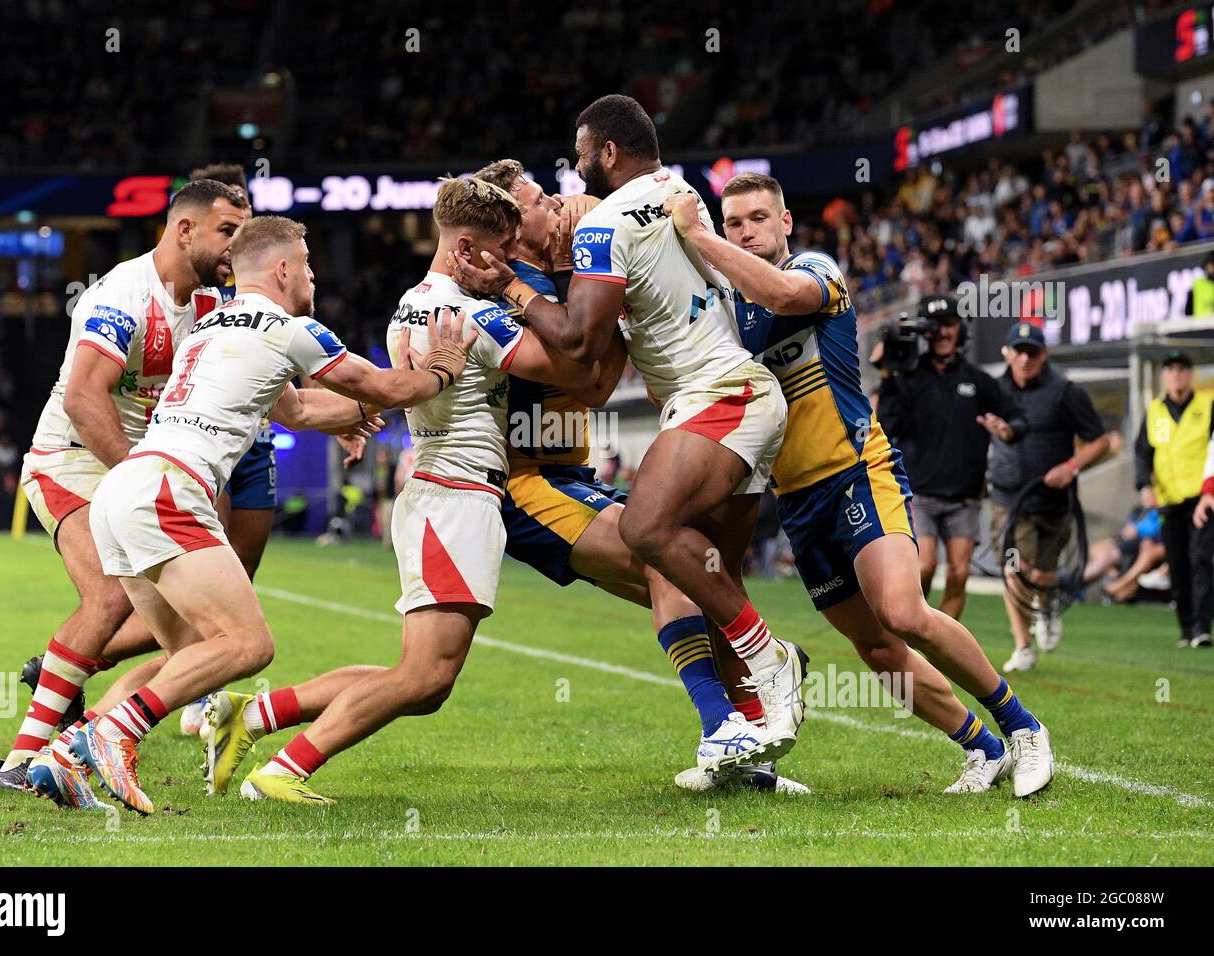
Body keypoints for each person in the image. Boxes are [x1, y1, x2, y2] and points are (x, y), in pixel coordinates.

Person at [220, 178, 639, 805]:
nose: (504, 267)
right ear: (468, 247)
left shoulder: (415, 298)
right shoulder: (473, 313)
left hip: (445, 492)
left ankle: (253, 717)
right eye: (500, 253)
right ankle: (285, 769)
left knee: (424, 678)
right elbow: (585, 373)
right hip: (457, 494)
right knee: (425, 675)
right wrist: (591, 288)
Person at [660, 172, 1054, 797]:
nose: (745, 231)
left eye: (758, 218)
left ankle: (1024, 728)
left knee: (904, 612)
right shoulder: (727, 312)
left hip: (857, 473)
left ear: (785, 223)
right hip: (796, 499)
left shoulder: (816, 271)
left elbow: (785, 294)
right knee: (873, 648)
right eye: (733, 222)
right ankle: (980, 747)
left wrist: (700, 237)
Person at [70, 215, 474, 814]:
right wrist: (442, 370)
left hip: (124, 488)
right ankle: (114, 732)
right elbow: (385, 387)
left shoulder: (208, 325)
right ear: (283, 270)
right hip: (169, 489)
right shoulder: (290, 327)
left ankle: (66, 761)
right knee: (249, 645)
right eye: (308, 264)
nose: (312, 275)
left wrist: (346, 418)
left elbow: (296, 408)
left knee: (193, 654)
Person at [448, 95, 807, 763]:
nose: (561, 197)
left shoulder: (575, 252)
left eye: (571, 172)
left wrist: (566, 264)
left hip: (680, 415)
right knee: (684, 563)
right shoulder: (495, 285)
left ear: (607, 153)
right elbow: (588, 367)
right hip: (525, 481)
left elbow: (596, 375)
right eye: (539, 202)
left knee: (682, 559)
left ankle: (744, 724)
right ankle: (743, 721)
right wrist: (541, 278)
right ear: (507, 227)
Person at [0, 179, 251, 793]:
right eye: (228, 231)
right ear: (184, 229)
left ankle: (80, 740)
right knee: (107, 600)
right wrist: (144, 474)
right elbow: (83, 398)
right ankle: (19, 762)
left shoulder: (213, 302)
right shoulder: (124, 293)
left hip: (143, 469)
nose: (236, 247)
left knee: (198, 635)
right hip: (72, 460)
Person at [876, 293, 1026, 620]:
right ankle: (910, 628)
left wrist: (1008, 429)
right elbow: (886, 425)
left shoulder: (978, 380)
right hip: (921, 493)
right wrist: (887, 375)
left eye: (950, 325)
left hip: (965, 496)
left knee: (958, 575)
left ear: (960, 330)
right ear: (923, 332)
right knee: (925, 565)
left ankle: (937, 650)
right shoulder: (910, 379)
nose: (943, 333)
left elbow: (1017, 417)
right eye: (935, 326)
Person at [988, 321, 1110, 672]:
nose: (1025, 359)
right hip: (1009, 499)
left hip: (1055, 502)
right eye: (1019, 352)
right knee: (1015, 571)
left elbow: (1101, 440)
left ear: (1044, 355)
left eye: (1032, 352)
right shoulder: (995, 390)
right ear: (1007, 354)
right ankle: (1023, 645)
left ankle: (1048, 603)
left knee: (1042, 575)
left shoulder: (1065, 391)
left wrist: (1071, 466)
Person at [1136, 350, 1214, 647]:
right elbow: (1143, 453)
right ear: (1164, 376)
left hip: (1201, 499)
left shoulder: (1207, 406)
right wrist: (1145, 486)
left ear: (1190, 374)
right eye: (1171, 369)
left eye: (1183, 369)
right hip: (1168, 499)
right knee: (1178, 562)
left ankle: (1201, 627)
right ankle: (1185, 627)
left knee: (1201, 559)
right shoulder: (1154, 411)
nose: (1177, 375)